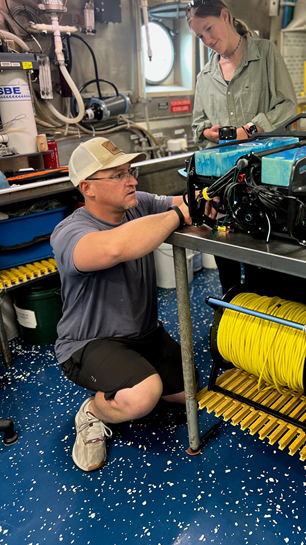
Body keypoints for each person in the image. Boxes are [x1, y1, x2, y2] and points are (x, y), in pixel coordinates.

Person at [51, 137, 195, 472]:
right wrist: (177, 214)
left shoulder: (136, 204)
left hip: (143, 334)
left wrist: (204, 199)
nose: (131, 181)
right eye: (117, 175)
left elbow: (179, 202)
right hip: (89, 343)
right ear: (88, 188)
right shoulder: (70, 232)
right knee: (144, 394)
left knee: (189, 390)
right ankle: (94, 411)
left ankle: (131, 383)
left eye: (130, 172)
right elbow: (114, 248)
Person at [187, 0, 297, 293]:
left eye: (209, 28)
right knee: (226, 259)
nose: (206, 39)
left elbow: (288, 106)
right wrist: (210, 133)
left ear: (225, 16)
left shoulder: (265, 53)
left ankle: (264, 320)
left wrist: (249, 129)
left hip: (262, 179)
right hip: (223, 183)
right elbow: (198, 125)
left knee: (260, 261)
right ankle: (231, 318)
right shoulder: (205, 75)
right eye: (199, 35)